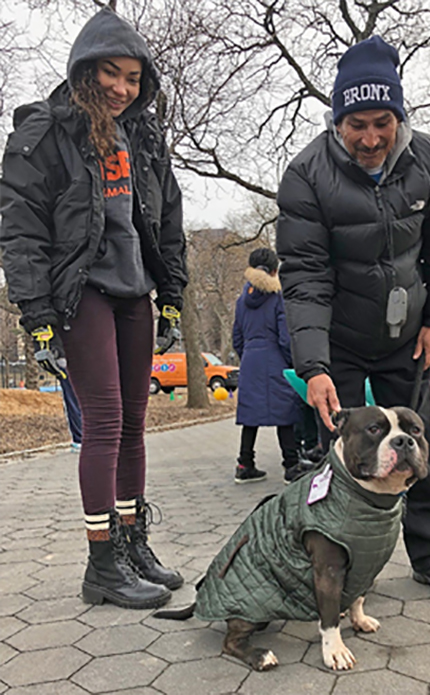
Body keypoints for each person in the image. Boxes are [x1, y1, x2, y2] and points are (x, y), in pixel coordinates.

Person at [276, 36, 430, 601]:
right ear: (337, 120)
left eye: (381, 122)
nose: (369, 138)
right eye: (356, 124)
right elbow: (305, 274)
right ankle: (325, 565)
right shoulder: (307, 175)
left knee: (418, 445)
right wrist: (313, 365)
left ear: (399, 116)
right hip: (337, 341)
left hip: (408, 337)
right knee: (339, 463)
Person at [0, 8, 187, 608]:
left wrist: (174, 298)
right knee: (103, 423)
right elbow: (20, 226)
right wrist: (37, 314)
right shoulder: (44, 133)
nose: (121, 88)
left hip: (134, 291)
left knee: (135, 424)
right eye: (110, 73)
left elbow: (167, 221)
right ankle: (101, 563)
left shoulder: (146, 138)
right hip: (79, 294)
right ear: (85, 70)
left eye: (132, 78)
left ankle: (132, 540)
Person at [232, 247, 310, 484]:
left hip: (250, 361)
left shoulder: (241, 301)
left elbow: (236, 337)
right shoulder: (278, 298)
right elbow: (285, 337)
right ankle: (291, 465)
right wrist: (291, 361)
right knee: (284, 412)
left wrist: (247, 356)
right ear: (275, 270)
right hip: (275, 359)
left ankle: (245, 464)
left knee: (250, 416)